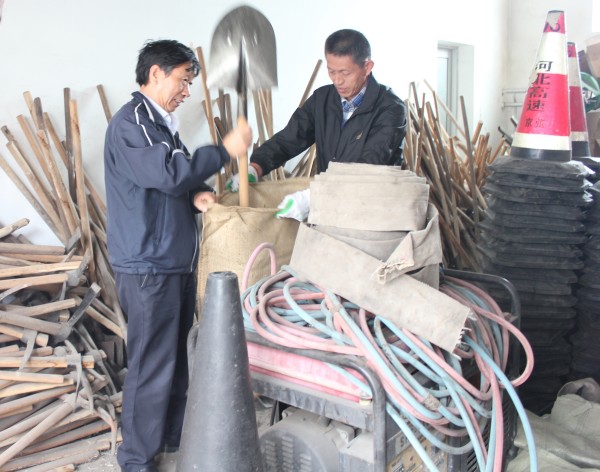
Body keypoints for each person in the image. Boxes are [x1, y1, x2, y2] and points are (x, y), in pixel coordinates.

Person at [104, 39, 252, 472]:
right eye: (183, 80)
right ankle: (136, 459)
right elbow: (167, 173)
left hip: (172, 260)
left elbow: (173, 179)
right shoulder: (131, 123)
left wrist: (196, 195)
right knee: (152, 364)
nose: (187, 91)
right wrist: (225, 150)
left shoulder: (161, 124)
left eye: (189, 83)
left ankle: (171, 439)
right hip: (148, 264)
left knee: (175, 359)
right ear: (156, 73)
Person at [227, 28, 407, 192]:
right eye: (331, 71)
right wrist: (255, 167)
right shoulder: (322, 99)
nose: (337, 80)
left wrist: (316, 195)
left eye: (345, 73)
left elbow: (370, 165)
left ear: (367, 67)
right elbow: (290, 138)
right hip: (328, 206)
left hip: (373, 206)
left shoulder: (390, 108)